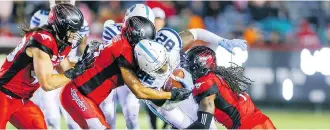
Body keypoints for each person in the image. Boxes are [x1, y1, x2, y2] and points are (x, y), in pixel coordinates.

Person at [60, 16, 191, 129]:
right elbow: (139, 91)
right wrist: (170, 94)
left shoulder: (122, 43)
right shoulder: (123, 51)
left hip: (86, 97)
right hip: (77, 94)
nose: (147, 44)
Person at [0, 4, 92, 129]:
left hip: (21, 99)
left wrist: (85, 63)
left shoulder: (60, 42)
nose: (74, 35)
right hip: (3, 95)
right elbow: (47, 84)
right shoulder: (43, 40)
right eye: (72, 31)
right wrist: (76, 71)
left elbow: (65, 69)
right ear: (60, 27)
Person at [177, 46, 276, 129]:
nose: (187, 70)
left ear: (201, 67)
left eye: (191, 67)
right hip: (263, 121)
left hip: (247, 126)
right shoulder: (218, 77)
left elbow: (203, 124)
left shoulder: (205, 83)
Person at [29, 0, 88, 129]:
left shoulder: (78, 17)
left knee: (73, 119)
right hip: (48, 68)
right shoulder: (41, 18)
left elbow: (81, 47)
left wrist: (81, 64)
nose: (62, 2)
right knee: (51, 117)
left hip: (66, 65)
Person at [101, 4, 155, 129]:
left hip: (130, 75)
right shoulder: (113, 31)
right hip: (110, 75)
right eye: (138, 21)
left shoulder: (150, 35)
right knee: (108, 114)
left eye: (144, 22)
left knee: (132, 115)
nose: (141, 27)